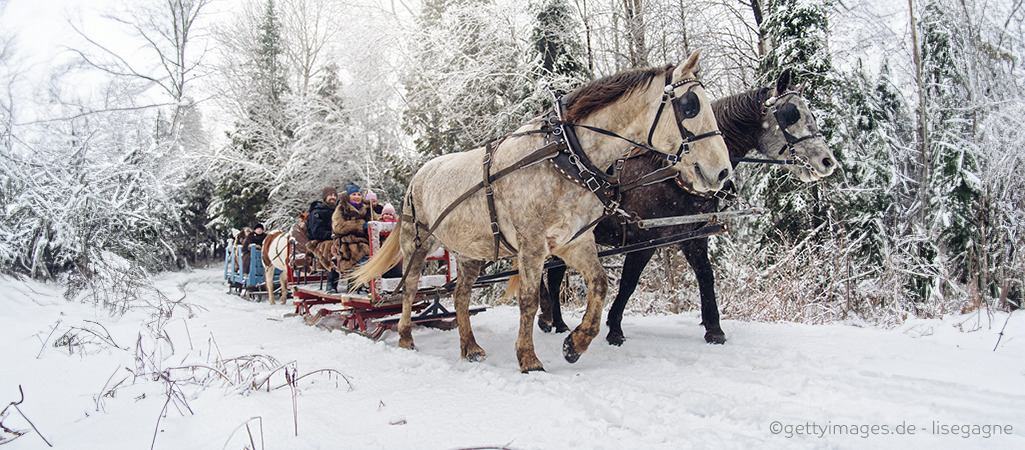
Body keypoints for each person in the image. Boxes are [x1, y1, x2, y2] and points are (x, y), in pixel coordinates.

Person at [332, 183, 373, 274]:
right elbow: (338, 227)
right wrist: (359, 225)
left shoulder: (367, 209)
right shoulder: (341, 209)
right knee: (361, 250)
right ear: (348, 196)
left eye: (359, 194)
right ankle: (363, 280)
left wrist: (371, 226)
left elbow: (375, 221)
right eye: (353, 194)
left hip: (366, 239)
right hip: (347, 241)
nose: (357, 197)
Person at [307, 186, 341, 293]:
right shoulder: (317, 212)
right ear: (325, 197)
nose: (333, 197)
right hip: (320, 241)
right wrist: (332, 235)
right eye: (330, 195)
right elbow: (316, 232)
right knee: (331, 248)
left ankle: (354, 281)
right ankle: (331, 282)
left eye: (334, 195)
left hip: (337, 238)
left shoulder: (338, 211)